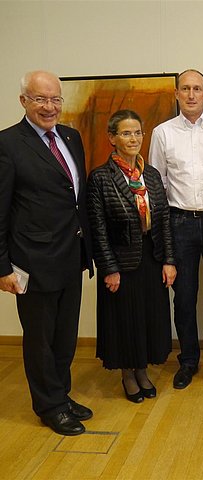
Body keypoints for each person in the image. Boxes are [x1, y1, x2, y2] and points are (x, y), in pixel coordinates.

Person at [0, 71, 94, 436]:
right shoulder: (8, 144)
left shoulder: (71, 137)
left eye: (55, 99)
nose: (49, 107)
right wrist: (3, 266)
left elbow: (75, 199)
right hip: (33, 261)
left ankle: (62, 395)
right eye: (40, 99)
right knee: (40, 338)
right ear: (24, 101)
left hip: (72, 254)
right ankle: (49, 406)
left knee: (65, 336)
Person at [149, 69, 203, 390]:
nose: (190, 94)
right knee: (184, 299)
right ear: (176, 94)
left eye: (196, 88)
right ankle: (187, 361)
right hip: (179, 222)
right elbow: (157, 185)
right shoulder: (162, 134)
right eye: (185, 88)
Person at [87, 110, 176, 403]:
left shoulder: (150, 174)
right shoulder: (100, 177)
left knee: (147, 318)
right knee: (125, 319)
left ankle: (142, 369)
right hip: (121, 262)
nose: (134, 138)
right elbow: (97, 229)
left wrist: (169, 260)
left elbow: (163, 220)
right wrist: (109, 268)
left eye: (138, 132)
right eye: (126, 133)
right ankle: (128, 374)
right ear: (112, 138)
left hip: (152, 257)